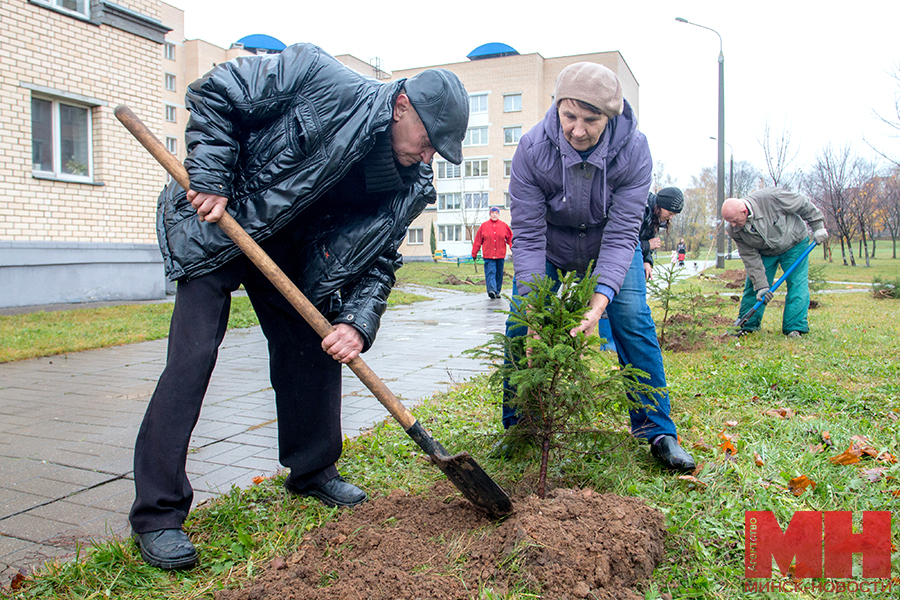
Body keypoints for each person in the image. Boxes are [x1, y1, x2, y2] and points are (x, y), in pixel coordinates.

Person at [129, 43, 469, 570]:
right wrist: (213, 177)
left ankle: (313, 472)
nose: (428, 157)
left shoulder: (409, 185)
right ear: (402, 105)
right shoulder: (319, 76)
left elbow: (380, 259)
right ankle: (158, 514)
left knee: (311, 352)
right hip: (222, 219)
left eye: (438, 151)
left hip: (292, 255)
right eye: (428, 142)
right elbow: (218, 93)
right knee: (192, 358)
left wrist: (357, 322)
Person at [502, 62, 695, 472]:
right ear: (557, 109)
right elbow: (530, 235)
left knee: (632, 318)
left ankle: (658, 430)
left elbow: (626, 229)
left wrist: (600, 300)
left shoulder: (634, 150)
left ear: (610, 116)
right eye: (569, 116)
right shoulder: (532, 150)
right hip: (551, 249)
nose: (578, 129)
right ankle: (519, 426)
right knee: (520, 323)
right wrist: (535, 304)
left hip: (608, 247)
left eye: (591, 120)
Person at [721, 188, 828, 337]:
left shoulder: (771, 198)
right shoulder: (734, 230)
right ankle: (747, 325)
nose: (732, 225)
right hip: (765, 251)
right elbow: (750, 258)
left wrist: (818, 226)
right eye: (729, 222)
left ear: (744, 211)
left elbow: (802, 203)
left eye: (734, 220)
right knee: (754, 286)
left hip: (794, 243)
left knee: (797, 283)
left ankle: (794, 327)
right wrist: (762, 286)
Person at [597, 186, 684, 350]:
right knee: (610, 296)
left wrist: (647, 261)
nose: (669, 217)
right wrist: (647, 246)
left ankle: (624, 341)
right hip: (614, 257)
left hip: (632, 257)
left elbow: (647, 237)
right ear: (661, 204)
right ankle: (608, 343)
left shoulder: (654, 216)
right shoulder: (640, 209)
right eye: (670, 213)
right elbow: (625, 238)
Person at [471, 206, 513, 298]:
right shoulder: (484, 226)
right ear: (490, 214)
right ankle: (492, 291)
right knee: (491, 272)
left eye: (496, 213)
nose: (494, 215)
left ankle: (497, 291)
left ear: (498, 214)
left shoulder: (504, 226)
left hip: (500, 255)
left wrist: (514, 249)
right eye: (493, 213)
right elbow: (478, 241)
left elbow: (510, 239)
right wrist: (474, 253)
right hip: (488, 255)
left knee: (499, 274)